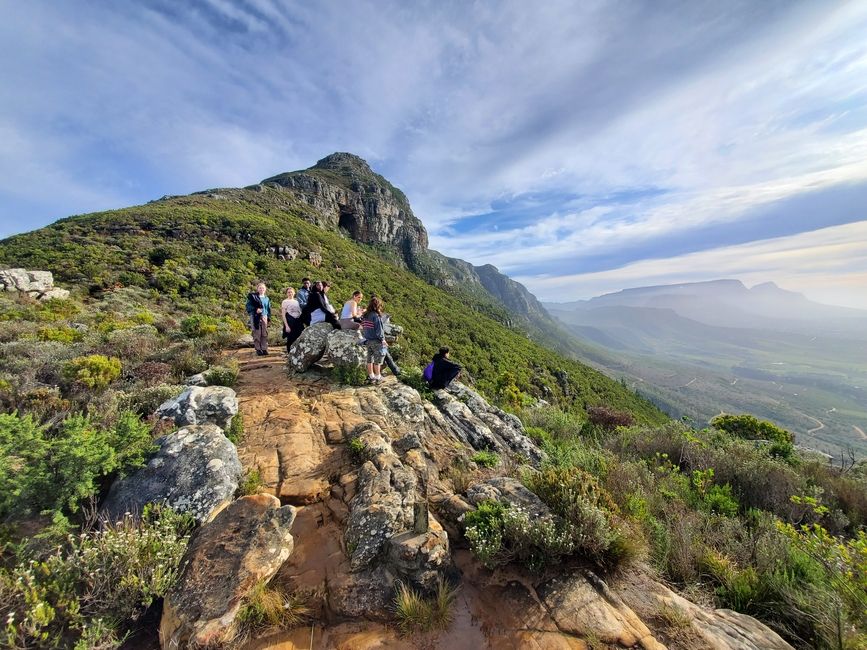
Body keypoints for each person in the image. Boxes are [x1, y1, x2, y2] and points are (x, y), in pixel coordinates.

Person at [361, 296, 387, 383]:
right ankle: (378, 377)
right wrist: (383, 339)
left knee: (369, 359)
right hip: (376, 341)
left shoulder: (365, 315)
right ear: (378, 306)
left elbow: (364, 327)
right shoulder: (376, 316)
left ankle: (371, 376)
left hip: (368, 340)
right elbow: (379, 330)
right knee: (377, 360)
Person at [245, 281, 271, 356]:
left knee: (264, 333)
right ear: (257, 289)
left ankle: (264, 348)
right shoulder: (253, 297)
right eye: (260, 288)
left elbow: (268, 308)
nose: (261, 289)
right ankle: (258, 349)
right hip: (255, 316)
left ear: (265, 289)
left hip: (264, 316)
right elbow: (248, 306)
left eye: (263, 288)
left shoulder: (267, 298)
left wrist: (268, 317)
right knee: (256, 332)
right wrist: (255, 309)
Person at [281, 286, 303, 352]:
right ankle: (290, 354)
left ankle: (298, 353)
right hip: (290, 320)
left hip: (298, 321)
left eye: (291, 292)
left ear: (294, 293)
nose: (290, 293)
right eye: (288, 292)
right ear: (287, 293)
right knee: (290, 338)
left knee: (299, 337)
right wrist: (286, 326)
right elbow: (283, 314)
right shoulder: (285, 301)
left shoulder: (297, 301)